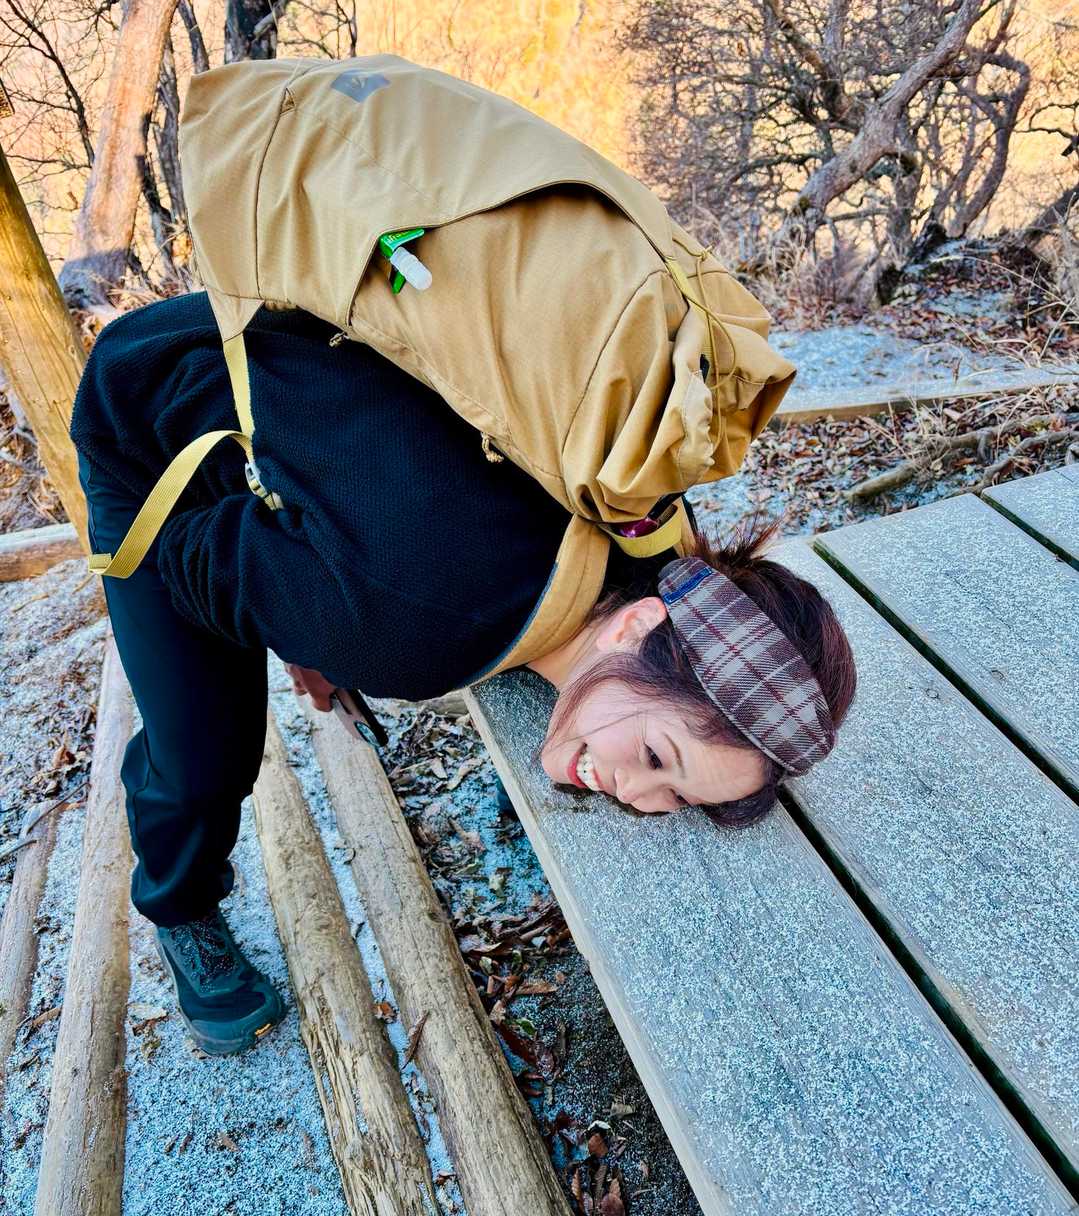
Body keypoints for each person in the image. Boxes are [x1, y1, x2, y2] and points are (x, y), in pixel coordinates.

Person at [70, 290, 856, 1056]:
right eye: (657, 758)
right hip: (155, 395)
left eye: (677, 798)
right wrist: (307, 622)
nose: (644, 800)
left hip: (314, 346)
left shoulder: (657, 539)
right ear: (634, 624)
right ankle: (178, 904)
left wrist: (323, 583)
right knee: (204, 749)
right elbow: (193, 562)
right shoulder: (409, 630)